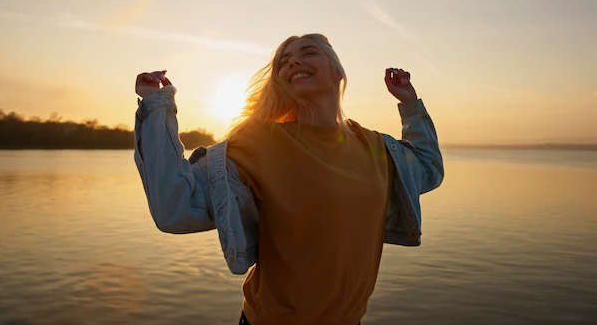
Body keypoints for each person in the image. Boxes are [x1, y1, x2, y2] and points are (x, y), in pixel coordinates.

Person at [134, 33, 443, 325]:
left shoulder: (376, 147)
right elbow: (174, 208)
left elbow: (428, 170)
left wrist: (410, 104)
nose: (293, 62)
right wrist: (157, 106)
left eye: (308, 53)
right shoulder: (258, 144)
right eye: (284, 61)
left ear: (338, 72)